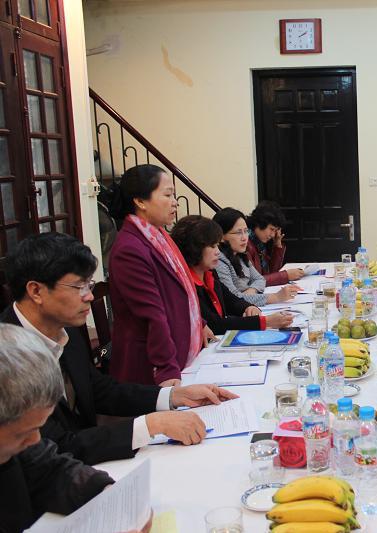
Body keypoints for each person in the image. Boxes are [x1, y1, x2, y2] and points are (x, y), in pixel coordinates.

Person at [2, 232, 238, 465]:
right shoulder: (8, 356)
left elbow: (99, 389)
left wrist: (174, 396)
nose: (89, 296)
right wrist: (150, 425)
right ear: (36, 291)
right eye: (79, 286)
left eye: (89, 285)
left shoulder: (63, 328)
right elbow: (55, 446)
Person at [0, 323, 116, 532]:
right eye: (23, 433)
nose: (36, 440)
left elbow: (51, 469)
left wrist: (105, 494)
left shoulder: (19, 443)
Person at [108, 164, 215, 385]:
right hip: (148, 366)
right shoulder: (130, 249)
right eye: (167, 195)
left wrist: (200, 323)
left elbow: (180, 289)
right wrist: (166, 369)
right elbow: (151, 314)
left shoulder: (158, 236)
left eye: (174, 195)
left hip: (178, 351)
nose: (175, 202)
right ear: (140, 201)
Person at [171, 215, 294, 334]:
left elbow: (231, 300)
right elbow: (215, 324)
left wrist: (248, 307)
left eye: (217, 245)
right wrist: (264, 322)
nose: (217, 252)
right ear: (195, 248)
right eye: (213, 246)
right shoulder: (186, 284)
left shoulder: (209, 273)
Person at [213, 208, 299, 307]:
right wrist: (276, 297)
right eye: (238, 232)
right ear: (221, 236)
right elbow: (234, 299)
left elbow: (260, 279)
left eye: (246, 231)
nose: (244, 238)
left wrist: (252, 290)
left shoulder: (240, 255)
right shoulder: (219, 262)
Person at [245, 201, 303, 285]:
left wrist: (277, 245)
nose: (272, 235)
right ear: (260, 223)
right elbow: (254, 281)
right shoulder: (245, 243)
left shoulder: (258, 242)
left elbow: (272, 272)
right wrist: (286, 275)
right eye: (271, 229)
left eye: (275, 231)